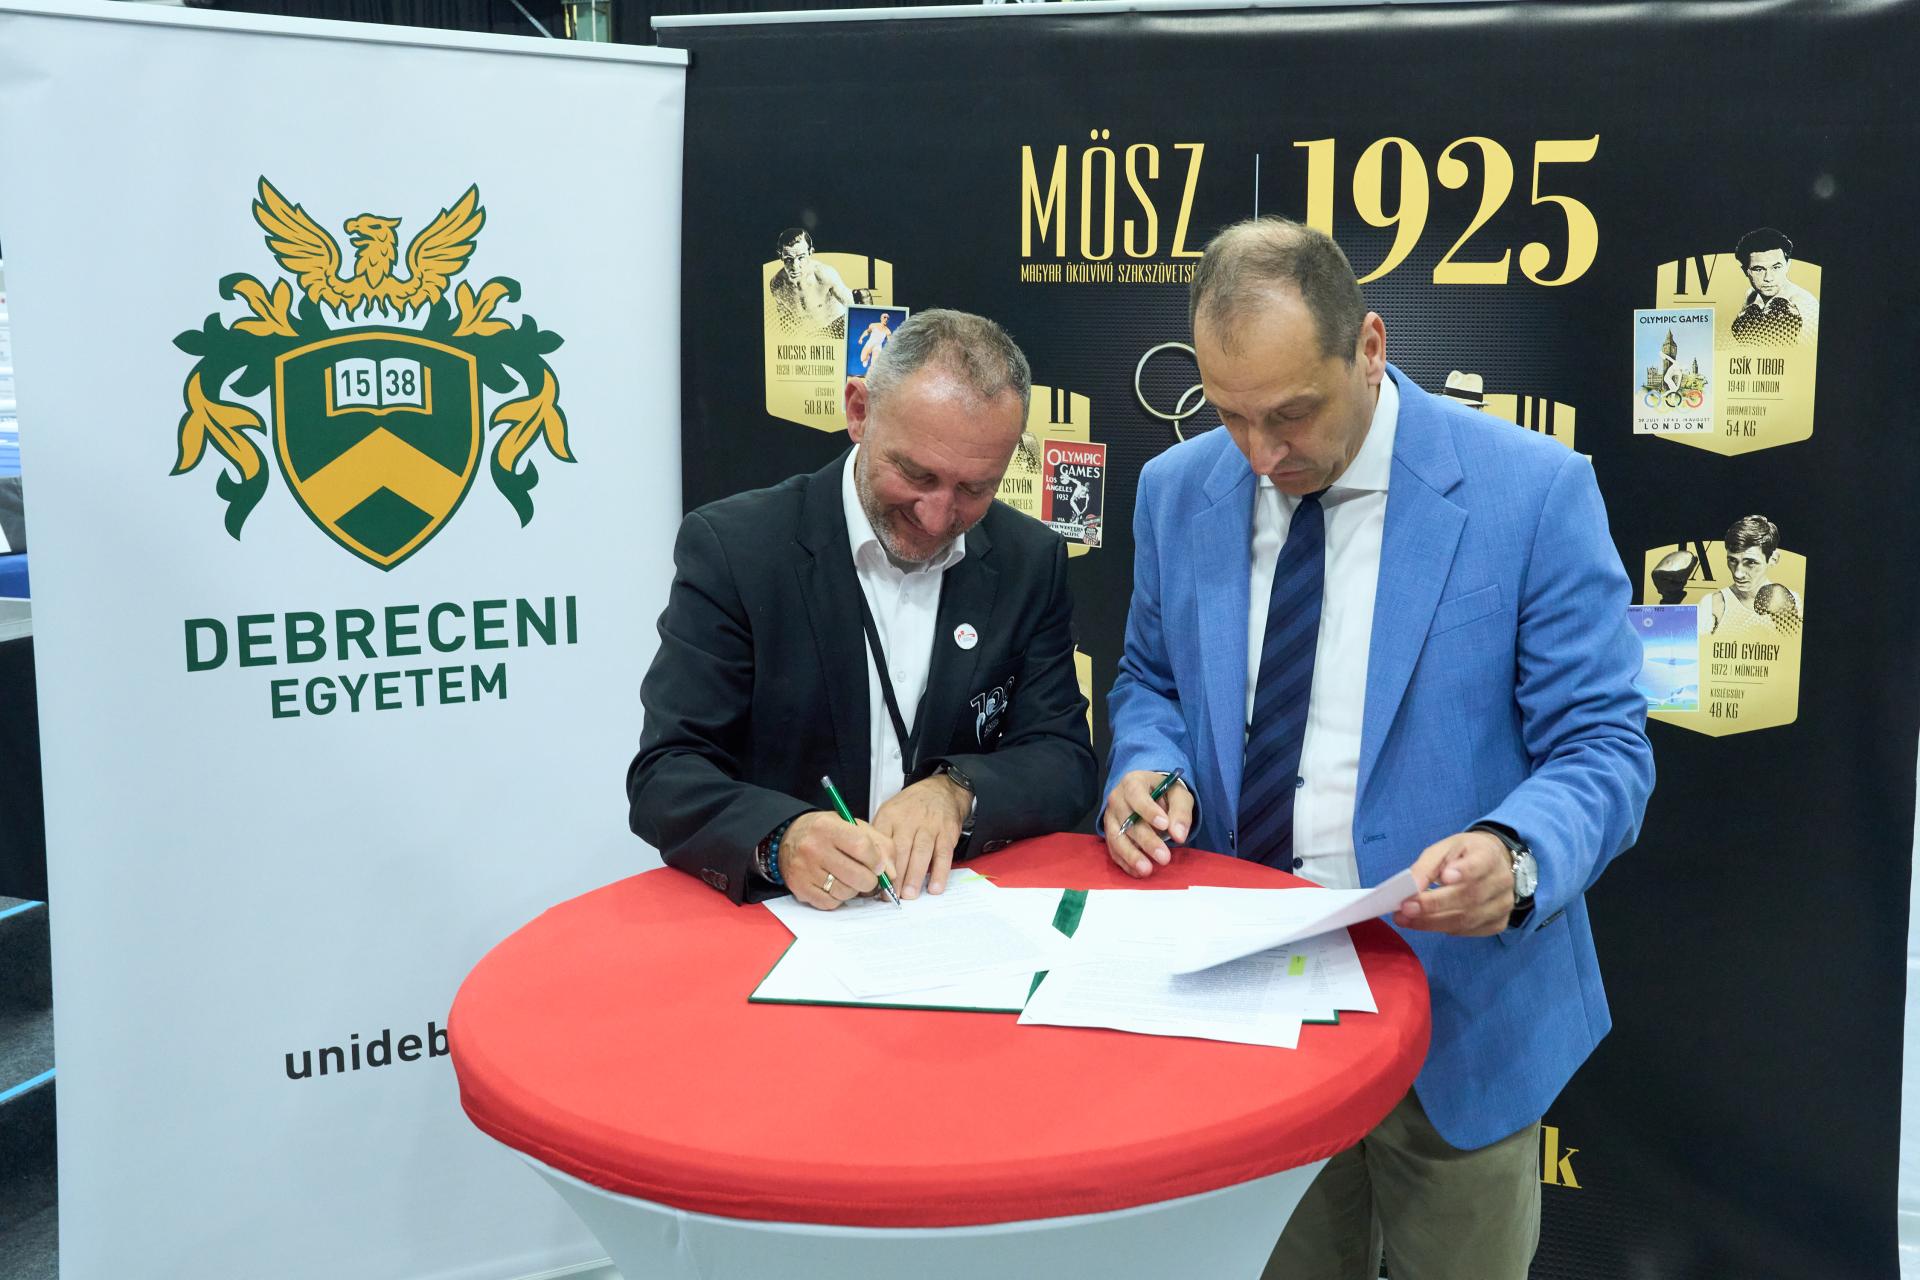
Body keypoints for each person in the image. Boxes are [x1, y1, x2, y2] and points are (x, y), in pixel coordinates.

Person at [1101, 218, 1654, 1280]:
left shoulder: (1532, 491)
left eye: (1291, 413)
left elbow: (1603, 744)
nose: (1262, 454)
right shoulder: (1177, 490)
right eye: (1229, 415)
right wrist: (1147, 764)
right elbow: (1150, 680)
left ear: (1368, 347)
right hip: (1249, 998)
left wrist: (1516, 854)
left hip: (1459, 1010)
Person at [630, 308, 1097, 910]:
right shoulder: (737, 550)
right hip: (784, 920)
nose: (937, 516)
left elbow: (1063, 759)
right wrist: (782, 840)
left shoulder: (1028, 560)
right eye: (916, 474)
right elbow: (666, 773)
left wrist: (957, 791)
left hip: (949, 915)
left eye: (974, 488)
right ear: (859, 411)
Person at [1704, 513, 1801, 636]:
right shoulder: (1712, 603)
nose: (1738, 574)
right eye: (1732, 560)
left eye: (1751, 562)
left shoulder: (1796, 601)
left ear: (1773, 559)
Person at [1729, 226, 1818, 346]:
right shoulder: (1751, 295)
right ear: (1746, 271)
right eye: (1759, 269)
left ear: (1787, 265)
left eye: (1776, 267)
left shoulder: (1804, 304)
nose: (1768, 278)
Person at [768, 227, 854, 337]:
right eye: (789, 259)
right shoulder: (777, 284)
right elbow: (785, 320)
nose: (795, 266)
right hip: (812, 335)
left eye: (801, 258)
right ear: (780, 256)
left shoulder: (824, 274)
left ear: (810, 252)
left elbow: (854, 305)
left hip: (838, 325)